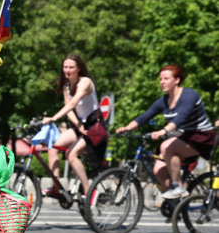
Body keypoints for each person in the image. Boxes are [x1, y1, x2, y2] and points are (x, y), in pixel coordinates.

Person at [116, 64, 217, 199]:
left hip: (201, 137)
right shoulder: (163, 101)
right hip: (181, 139)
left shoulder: (189, 95)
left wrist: (163, 131)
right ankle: (179, 204)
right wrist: (127, 128)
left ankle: (178, 186)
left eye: (166, 78)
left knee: (166, 146)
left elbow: (182, 117)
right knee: (158, 170)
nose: (162, 82)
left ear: (177, 80)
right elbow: (143, 118)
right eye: (160, 79)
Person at [40, 54, 107, 199]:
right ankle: (56, 187)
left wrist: (54, 118)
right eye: (65, 67)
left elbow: (73, 103)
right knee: (53, 147)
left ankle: (89, 191)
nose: (67, 70)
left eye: (71, 67)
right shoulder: (67, 85)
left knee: (70, 154)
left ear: (79, 69)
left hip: (94, 127)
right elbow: (69, 109)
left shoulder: (86, 82)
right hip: (81, 125)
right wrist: (78, 124)